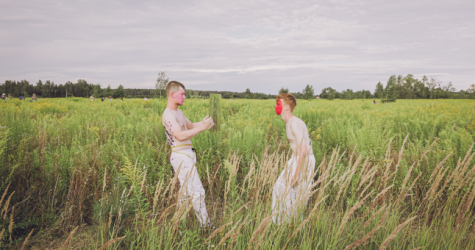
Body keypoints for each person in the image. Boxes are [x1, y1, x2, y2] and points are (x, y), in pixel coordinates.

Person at [162, 81, 214, 228]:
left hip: (187, 155)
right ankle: (207, 227)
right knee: (197, 191)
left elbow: (190, 127)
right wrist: (202, 128)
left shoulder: (178, 112)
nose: (185, 97)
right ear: (172, 95)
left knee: (185, 193)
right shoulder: (168, 115)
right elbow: (179, 135)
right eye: (182, 94)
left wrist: (205, 123)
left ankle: (179, 224)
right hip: (181, 156)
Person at [272, 93, 315, 225]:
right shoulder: (288, 123)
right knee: (279, 188)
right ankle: (281, 223)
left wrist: (296, 172)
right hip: (296, 158)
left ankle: (295, 226)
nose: (275, 106)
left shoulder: (294, 123)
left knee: (297, 195)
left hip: (304, 159)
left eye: (278, 104)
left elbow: (304, 149)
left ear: (286, 107)